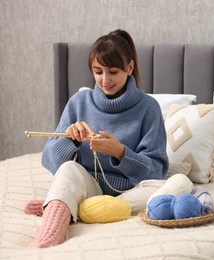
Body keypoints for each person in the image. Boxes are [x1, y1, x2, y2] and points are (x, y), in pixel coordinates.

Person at [24, 29, 169, 248]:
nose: (104, 79)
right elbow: (50, 162)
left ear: (129, 68)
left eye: (112, 72)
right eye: (98, 71)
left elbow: (156, 170)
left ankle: (67, 204)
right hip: (89, 184)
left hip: (131, 191)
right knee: (67, 172)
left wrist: (119, 152)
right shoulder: (79, 102)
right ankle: (50, 233)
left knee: (166, 189)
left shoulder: (149, 108)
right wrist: (69, 140)